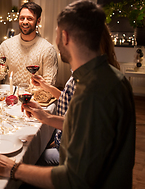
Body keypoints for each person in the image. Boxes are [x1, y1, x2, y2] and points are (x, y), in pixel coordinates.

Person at [0, 0, 135, 188]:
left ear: (65, 37)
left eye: (57, 34)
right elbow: (86, 127)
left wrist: (14, 169)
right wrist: (46, 116)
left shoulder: (94, 91)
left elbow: (75, 179)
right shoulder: (103, 78)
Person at [31, 24, 121, 166]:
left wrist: (44, 116)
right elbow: (70, 98)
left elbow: (78, 125)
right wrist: (46, 86)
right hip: (65, 143)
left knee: (32, 158)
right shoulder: (84, 70)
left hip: (77, 157)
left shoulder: (92, 80)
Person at [0, 2, 58, 86]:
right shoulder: (6, 45)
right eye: (22, 18)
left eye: (29, 18)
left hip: (34, 96)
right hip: (10, 95)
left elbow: (49, 83)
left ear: (38, 21)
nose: (25, 22)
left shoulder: (47, 49)